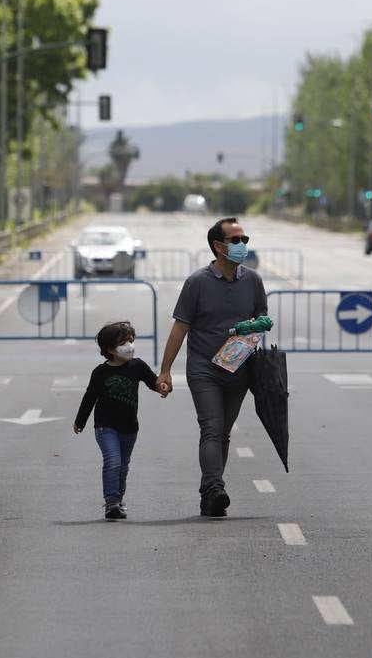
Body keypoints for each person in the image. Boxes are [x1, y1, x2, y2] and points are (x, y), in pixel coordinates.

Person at [156, 217, 267, 518]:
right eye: (236, 240)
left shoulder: (253, 281)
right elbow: (180, 328)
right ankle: (215, 488)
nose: (242, 245)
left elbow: (262, 319)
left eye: (245, 239)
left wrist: (253, 327)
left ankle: (210, 493)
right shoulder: (197, 283)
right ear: (218, 246)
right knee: (212, 428)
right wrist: (165, 370)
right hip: (204, 368)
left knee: (224, 433)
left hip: (238, 369)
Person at [74, 321, 167, 521]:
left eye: (131, 340)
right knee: (113, 461)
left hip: (129, 427)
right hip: (105, 426)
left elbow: (153, 381)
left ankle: (118, 499)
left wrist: (163, 387)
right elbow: (89, 397)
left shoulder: (138, 366)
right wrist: (80, 421)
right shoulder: (100, 372)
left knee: (123, 465)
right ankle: (111, 502)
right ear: (110, 349)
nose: (129, 345)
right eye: (123, 342)